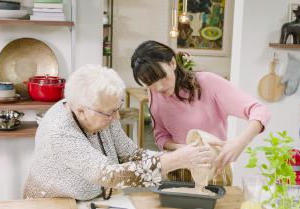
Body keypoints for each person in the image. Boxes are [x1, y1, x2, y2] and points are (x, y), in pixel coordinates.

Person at [23, 64, 213, 200]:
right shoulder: (59, 130)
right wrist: (174, 161)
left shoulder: (104, 111)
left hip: (92, 200)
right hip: (52, 203)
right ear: (81, 111)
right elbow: (109, 175)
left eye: (117, 109)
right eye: (110, 112)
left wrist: (176, 156)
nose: (116, 118)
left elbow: (131, 154)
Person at [131, 41, 271, 186]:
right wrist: (184, 150)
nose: (159, 87)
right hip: (176, 173)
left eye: (163, 77)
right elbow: (161, 137)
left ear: (172, 63)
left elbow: (259, 110)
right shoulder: (154, 94)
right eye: (150, 83)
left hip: (213, 173)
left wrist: (239, 143)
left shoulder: (207, 83)